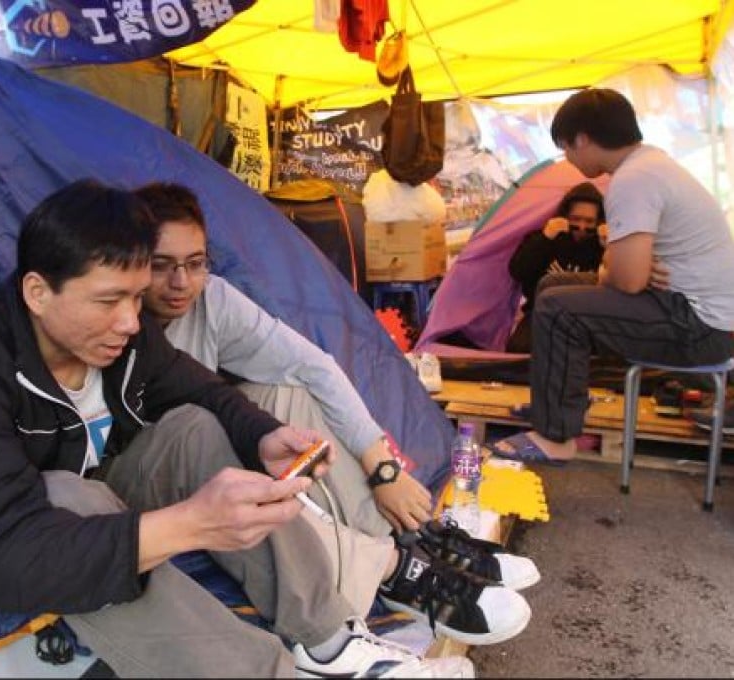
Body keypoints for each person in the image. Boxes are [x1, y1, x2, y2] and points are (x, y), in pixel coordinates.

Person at [0, 179, 508, 678]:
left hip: (121, 497)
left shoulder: (126, 338)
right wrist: (187, 524)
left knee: (193, 426)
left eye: (136, 298)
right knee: (68, 494)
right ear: (38, 292)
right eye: (108, 301)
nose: (130, 321)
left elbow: (202, 390)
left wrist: (262, 436)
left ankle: (330, 642)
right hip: (54, 527)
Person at [133, 182, 540, 602]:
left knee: (288, 393)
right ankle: (382, 571)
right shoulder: (113, 318)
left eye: (194, 263)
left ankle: (406, 537)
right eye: (161, 265)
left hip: (207, 454)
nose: (180, 281)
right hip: (152, 481)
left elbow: (313, 366)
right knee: (198, 425)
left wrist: (384, 469)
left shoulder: (210, 298)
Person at [492, 88, 734, 464]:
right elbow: (630, 271)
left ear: (584, 138)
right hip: (693, 312)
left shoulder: (633, 179)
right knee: (554, 286)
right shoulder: (651, 164)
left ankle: (556, 437)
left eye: (567, 148)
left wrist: (615, 267)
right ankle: (558, 403)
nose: (568, 159)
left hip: (699, 328)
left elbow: (629, 280)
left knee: (558, 307)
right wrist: (621, 264)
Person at [505, 182, 607, 353]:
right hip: (542, 314)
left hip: (589, 317)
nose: (582, 227)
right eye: (576, 219)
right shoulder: (545, 238)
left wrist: (609, 248)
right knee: (520, 348)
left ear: (599, 222)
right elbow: (517, 271)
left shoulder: (603, 245)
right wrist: (545, 238)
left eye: (589, 221)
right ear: (565, 216)